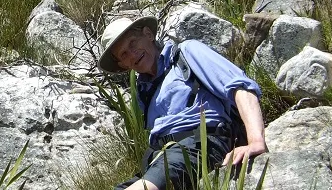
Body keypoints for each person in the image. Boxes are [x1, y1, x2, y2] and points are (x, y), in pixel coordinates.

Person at [99, 16, 268, 190]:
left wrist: (256, 141)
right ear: (123, 64)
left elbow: (240, 87)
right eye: (124, 54)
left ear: (148, 34)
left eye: (133, 43)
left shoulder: (187, 52)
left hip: (201, 145)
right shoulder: (144, 92)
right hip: (162, 158)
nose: (132, 54)